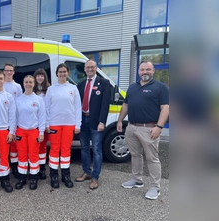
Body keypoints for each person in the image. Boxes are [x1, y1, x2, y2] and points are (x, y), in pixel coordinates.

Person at [117, 60, 169, 200]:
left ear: (153, 71)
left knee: (152, 158)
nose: (144, 72)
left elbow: (166, 108)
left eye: (148, 69)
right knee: (135, 155)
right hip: (132, 127)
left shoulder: (161, 87)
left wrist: (159, 127)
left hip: (150, 128)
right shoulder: (132, 87)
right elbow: (125, 105)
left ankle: (155, 187)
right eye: (142, 69)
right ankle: (137, 180)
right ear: (138, 71)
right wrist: (120, 120)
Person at [75, 60, 111, 190]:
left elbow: (105, 105)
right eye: (87, 67)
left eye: (92, 67)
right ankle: (87, 172)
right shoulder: (81, 84)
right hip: (82, 120)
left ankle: (95, 177)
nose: (90, 69)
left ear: (96, 68)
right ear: (84, 70)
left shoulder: (104, 83)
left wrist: (102, 121)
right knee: (84, 148)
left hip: (96, 122)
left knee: (96, 149)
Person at [45, 63, 82, 188]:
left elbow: (78, 108)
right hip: (54, 124)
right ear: (57, 74)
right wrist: (46, 124)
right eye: (60, 71)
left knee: (66, 150)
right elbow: (46, 108)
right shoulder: (51, 89)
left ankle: (66, 175)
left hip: (69, 124)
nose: (62, 73)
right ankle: (54, 176)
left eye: (64, 71)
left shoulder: (73, 88)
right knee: (55, 150)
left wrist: (78, 125)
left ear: (68, 73)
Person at [15, 75, 46, 190]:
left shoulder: (39, 100)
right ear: (23, 83)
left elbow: (42, 117)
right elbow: (14, 117)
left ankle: (34, 177)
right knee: (22, 155)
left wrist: (41, 132)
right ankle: (22, 177)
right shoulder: (18, 100)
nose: (28, 84)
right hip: (21, 131)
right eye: (26, 82)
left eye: (30, 82)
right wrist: (13, 132)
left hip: (34, 131)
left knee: (33, 155)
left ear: (34, 84)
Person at [2, 62, 23, 179]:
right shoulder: (0, 84)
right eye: (7, 70)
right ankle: (0, 167)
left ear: (14, 72)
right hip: (2, 120)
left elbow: (20, 104)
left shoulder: (17, 87)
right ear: (4, 71)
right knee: (1, 147)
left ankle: (14, 167)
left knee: (14, 147)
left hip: (14, 120)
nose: (9, 72)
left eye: (11, 70)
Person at [32, 68, 51, 180]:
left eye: (42, 75)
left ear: (45, 77)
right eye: (38, 75)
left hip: (44, 123)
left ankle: (42, 169)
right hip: (33, 124)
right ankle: (34, 168)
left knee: (42, 147)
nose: (40, 77)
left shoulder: (49, 90)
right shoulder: (31, 89)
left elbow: (49, 109)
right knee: (34, 147)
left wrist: (46, 124)